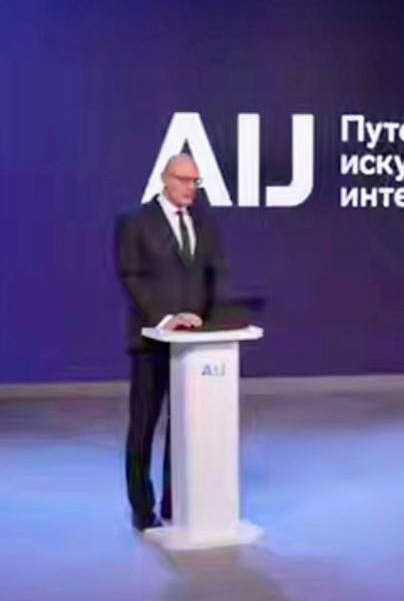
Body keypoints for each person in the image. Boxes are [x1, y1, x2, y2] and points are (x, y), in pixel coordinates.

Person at [114, 153, 229, 531]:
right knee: (144, 426)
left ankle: (174, 501)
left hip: (193, 347)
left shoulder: (205, 222)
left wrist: (210, 319)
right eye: (183, 179)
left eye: (196, 181)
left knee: (184, 427)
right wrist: (166, 319)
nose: (190, 188)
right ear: (165, 179)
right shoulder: (134, 221)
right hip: (151, 340)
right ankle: (142, 507)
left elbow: (213, 274)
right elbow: (131, 276)